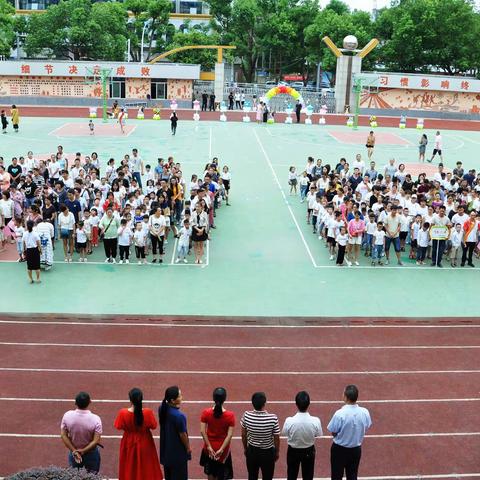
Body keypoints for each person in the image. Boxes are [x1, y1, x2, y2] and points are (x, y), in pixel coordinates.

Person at [114, 388, 163, 480]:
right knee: (147, 466)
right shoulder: (148, 412)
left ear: (130, 399)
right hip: (145, 441)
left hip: (128, 441)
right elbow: (154, 425)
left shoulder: (122, 413)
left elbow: (118, 426)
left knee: (129, 465)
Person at [327, 385, 372, 480]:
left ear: (346, 397)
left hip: (339, 449)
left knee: (336, 476)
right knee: (352, 475)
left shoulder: (340, 414)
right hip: (355, 449)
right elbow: (367, 426)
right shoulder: (365, 412)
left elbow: (333, 431)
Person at [282, 391, 322, 480]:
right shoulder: (315, 420)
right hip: (309, 451)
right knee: (308, 476)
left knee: (291, 476)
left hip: (293, 451)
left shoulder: (289, 421)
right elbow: (318, 434)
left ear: (296, 404)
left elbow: (284, 433)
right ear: (309, 403)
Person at [241, 392, 280, 480]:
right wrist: (277, 452)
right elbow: (276, 437)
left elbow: (243, 435)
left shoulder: (246, 415)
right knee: (267, 477)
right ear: (264, 403)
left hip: (252, 451)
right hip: (267, 453)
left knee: (252, 476)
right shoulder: (273, 418)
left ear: (253, 403)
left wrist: (245, 448)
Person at [60, 392, 102, 473]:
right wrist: (83, 451)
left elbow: (63, 435)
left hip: (74, 453)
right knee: (92, 476)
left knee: (74, 476)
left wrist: (74, 451)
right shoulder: (96, 419)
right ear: (90, 402)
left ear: (75, 402)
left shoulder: (67, 415)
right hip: (91, 453)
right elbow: (96, 440)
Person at [200, 387, 235, 480]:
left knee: (210, 474)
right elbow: (229, 435)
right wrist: (222, 449)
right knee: (222, 475)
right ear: (225, 399)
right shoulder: (230, 415)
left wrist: (209, 447)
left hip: (209, 450)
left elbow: (202, 431)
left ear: (213, 398)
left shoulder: (206, 413)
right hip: (223, 451)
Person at [159, 386, 191, 480]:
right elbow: (182, 434)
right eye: (180, 396)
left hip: (166, 450)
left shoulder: (162, 408)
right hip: (178, 453)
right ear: (173, 400)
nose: (182, 397)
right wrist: (188, 447)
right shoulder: (179, 416)